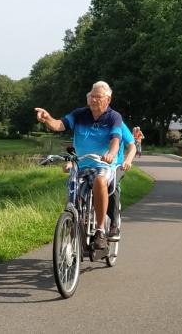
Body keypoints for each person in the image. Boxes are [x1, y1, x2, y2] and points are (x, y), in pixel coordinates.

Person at [35, 81, 122, 250]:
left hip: (102, 165)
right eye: (92, 96)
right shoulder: (80, 114)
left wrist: (111, 154)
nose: (94, 100)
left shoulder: (113, 117)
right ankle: (74, 225)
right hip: (80, 165)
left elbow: (116, 139)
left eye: (98, 97)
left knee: (100, 180)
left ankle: (100, 230)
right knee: (73, 196)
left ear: (108, 99)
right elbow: (59, 125)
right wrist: (47, 119)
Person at [106, 121, 136, 241]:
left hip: (117, 165)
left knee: (112, 185)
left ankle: (114, 224)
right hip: (97, 164)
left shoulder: (119, 124)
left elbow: (132, 146)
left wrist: (127, 160)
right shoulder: (92, 123)